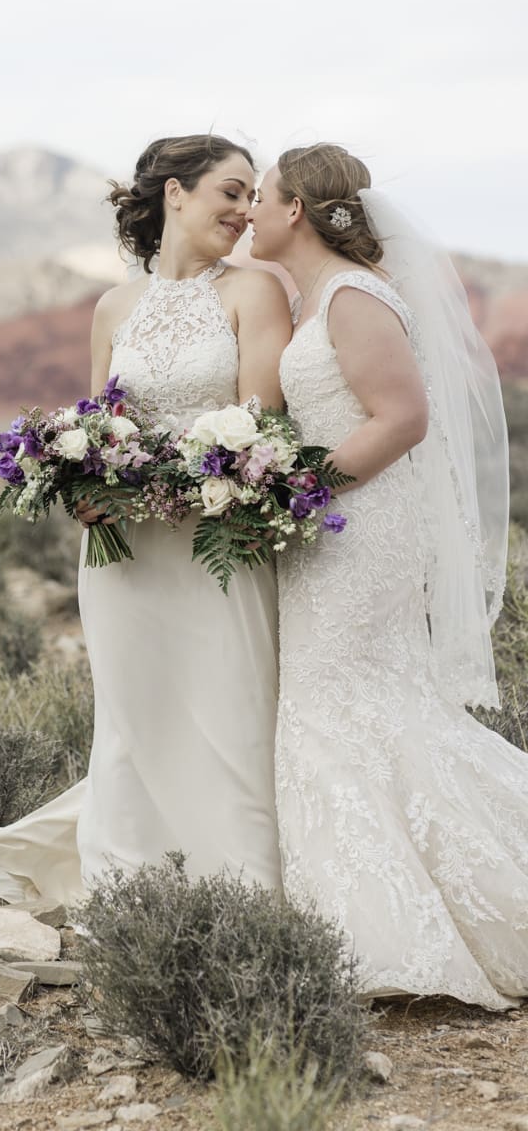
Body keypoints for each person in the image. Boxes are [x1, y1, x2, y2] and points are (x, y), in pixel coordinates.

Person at [0, 135, 292, 905]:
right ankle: (129, 889)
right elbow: (100, 421)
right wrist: (80, 474)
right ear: (175, 193)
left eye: (251, 198)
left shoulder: (254, 293)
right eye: (230, 193)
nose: (244, 212)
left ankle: (241, 891)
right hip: (123, 557)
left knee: (229, 709)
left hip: (218, 540)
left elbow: (261, 428)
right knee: (134, 720)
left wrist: (170, 476)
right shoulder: (114, 306)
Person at [246, 142, 528, 1009]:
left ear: (295, 209)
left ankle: (388, 940)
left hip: (358, 532)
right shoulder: (318, 298)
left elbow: (402, 417)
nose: (251, 212)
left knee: (341, 706)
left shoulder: (355, 297)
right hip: (331, 528)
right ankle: (364, 920)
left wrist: (299, 486)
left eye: (259, 196)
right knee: (351, 708)